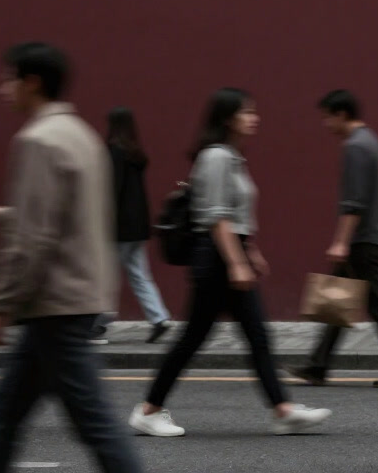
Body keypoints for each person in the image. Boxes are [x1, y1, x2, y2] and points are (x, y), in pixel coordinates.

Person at [0, 42, 142, 473]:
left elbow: (34, 238)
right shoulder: (82, 136)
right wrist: (6, 215)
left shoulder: (37, 140)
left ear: (33, 83)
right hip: (78, 298)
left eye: (9, 79)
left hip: (54, 306)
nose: (2, 89)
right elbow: (68, 217)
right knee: (4, 414)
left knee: (96, 424)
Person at [129, 88, 330, 437]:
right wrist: (237, 261)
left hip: (226, 253)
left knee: (255, 335)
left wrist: (249, 251)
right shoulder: (218, 157)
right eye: (246, 112)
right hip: (216, 259)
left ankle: (282, 409)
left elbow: (233, 216)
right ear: (227, 118)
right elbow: (216, 217)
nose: (255, 118)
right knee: (195, 339)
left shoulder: (231, 156)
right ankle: (149, 410)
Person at [286, 89, 378, 388]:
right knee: (338, 300)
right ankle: (318, 365)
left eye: (327, 117)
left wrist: (340, 241)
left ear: (341, 114)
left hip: (364, 240)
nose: (325, 124)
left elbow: (354, 203)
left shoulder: (356, 147)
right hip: (372, 238)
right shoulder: (370, 141)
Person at [92, 107, 171, 345]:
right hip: (137, 227)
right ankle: (159, 318)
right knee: (140, 275)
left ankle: (98, 323)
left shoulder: (114, 152)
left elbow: (112, 191)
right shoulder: (135, 154)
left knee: (106, 275)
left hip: (120, 228)